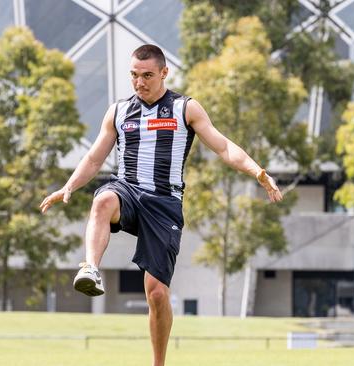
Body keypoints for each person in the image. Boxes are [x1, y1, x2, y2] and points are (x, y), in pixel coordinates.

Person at [40, 44, 282, 366]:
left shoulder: (186, 109)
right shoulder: (118, 112)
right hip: (126, 189)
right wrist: (69, 186)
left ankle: (158, 363)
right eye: (134, 76)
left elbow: (223, 147)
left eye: (148, 76)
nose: (140, 83)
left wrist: (258, 172)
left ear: (164, 73)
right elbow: (95, 156)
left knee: (156, 293)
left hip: (164, 203)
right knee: (102, 201)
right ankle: (91, 269)